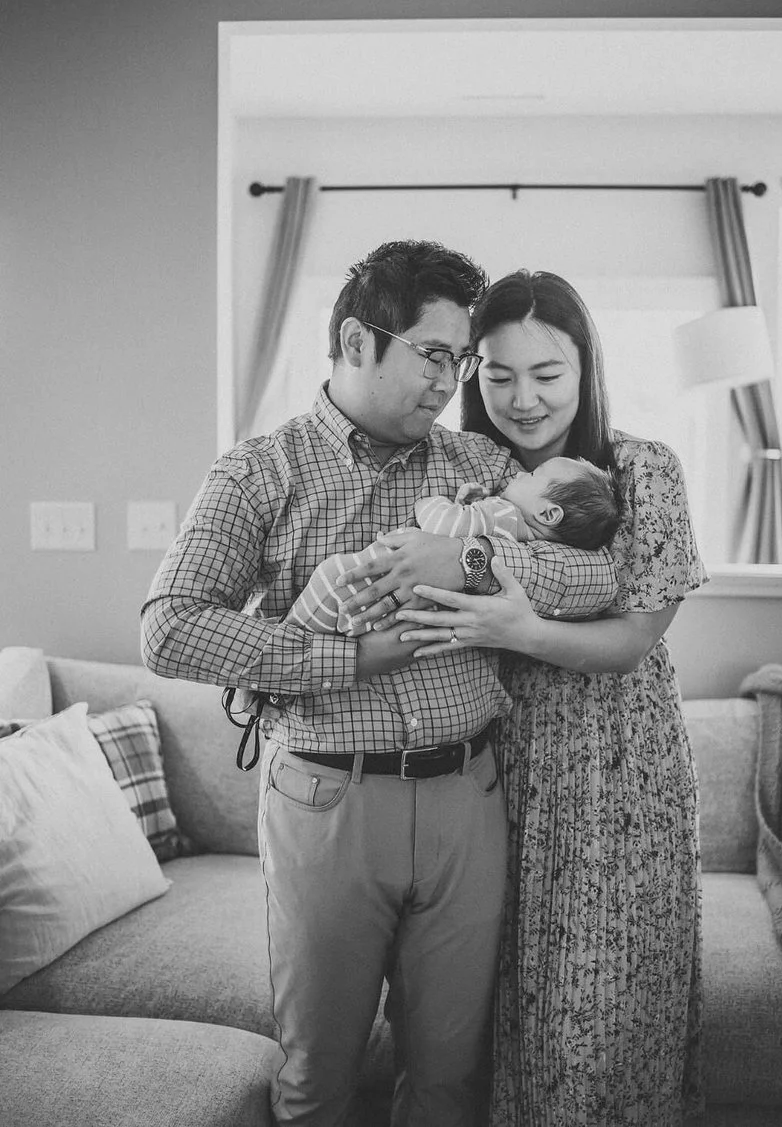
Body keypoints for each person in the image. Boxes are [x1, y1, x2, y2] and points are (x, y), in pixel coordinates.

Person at [139, 241, 621, 1126]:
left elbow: (599, 582)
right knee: (318, 1077)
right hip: (326, 800)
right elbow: (168, 628)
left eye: (460, 361)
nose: (453, 383)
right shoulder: (258, 472)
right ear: (360, 342)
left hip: (469, 800)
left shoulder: (477, 467)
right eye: (436, 356)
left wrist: (471, 556)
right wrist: (350, 661)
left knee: (448, 1079)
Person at [388, 270, 709, 1125]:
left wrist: (516, 628)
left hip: (616, 776)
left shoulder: (640, 469)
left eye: (546, 374)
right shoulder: (460, 473)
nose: (522, 399)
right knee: (474, 1019)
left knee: (592, 1017)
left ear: (585, 369)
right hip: (486, 775)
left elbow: (639, 636)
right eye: (496, 374)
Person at [290, 456, 620, 634]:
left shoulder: (503, 513)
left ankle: (287, 633)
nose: (518, 475)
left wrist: (429, 503)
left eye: (531, 475)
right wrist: (471, 508)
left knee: (326, 580)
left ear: (548, 513)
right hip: (396, 604)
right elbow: (466, 530)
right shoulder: (519, 537)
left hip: (365, 577)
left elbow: (443, 526)